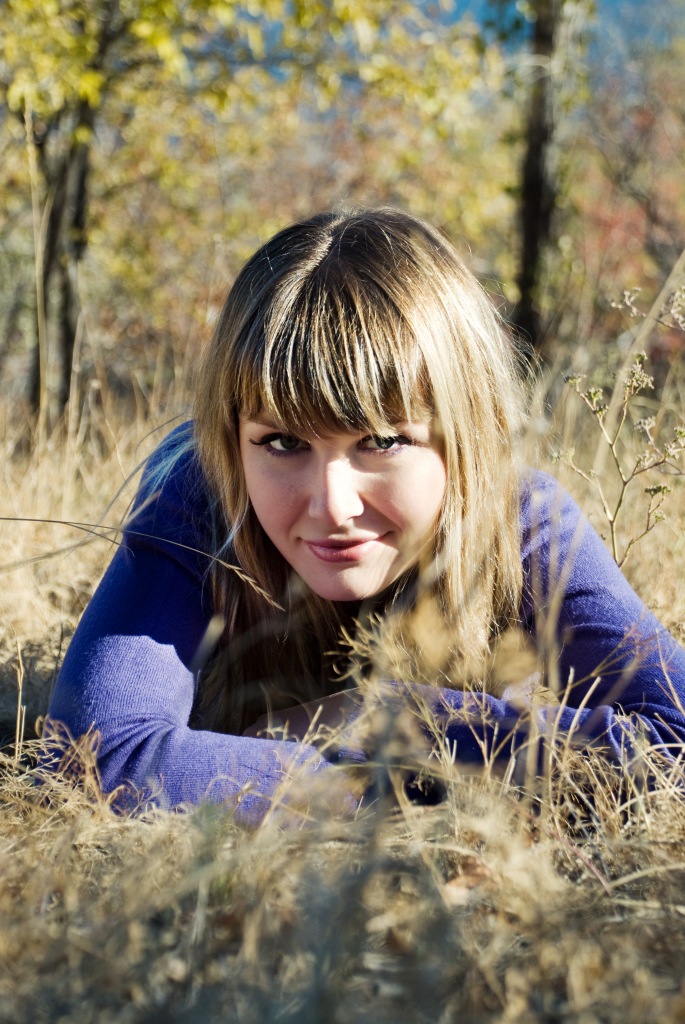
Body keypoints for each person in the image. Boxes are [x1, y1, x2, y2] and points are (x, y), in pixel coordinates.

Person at [47, 208, 685, 826]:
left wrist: (398, 721)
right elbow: (95, 759)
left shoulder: (521, 522)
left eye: (381, 442)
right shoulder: (202, 490)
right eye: (282, 442)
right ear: (231, 438)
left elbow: (674, 741)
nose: (332, 506)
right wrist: (434, 776)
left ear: (469, 433)